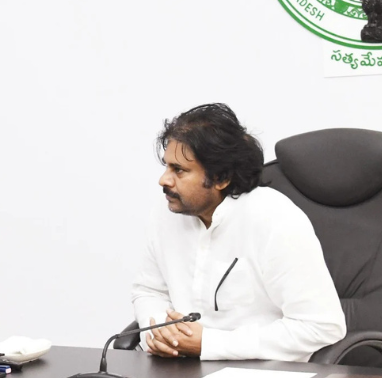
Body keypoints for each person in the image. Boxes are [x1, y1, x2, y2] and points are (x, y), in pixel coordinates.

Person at [132, 104, 346, 362]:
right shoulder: (167, 212)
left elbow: (322, 326)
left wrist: (209, 343)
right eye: (167, 167)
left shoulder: (275, 218)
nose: (164, 180)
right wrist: (158, 333)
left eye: (179, 170)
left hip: (264, 375)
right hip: (177, 369)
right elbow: (149, 290)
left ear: (221, 178)